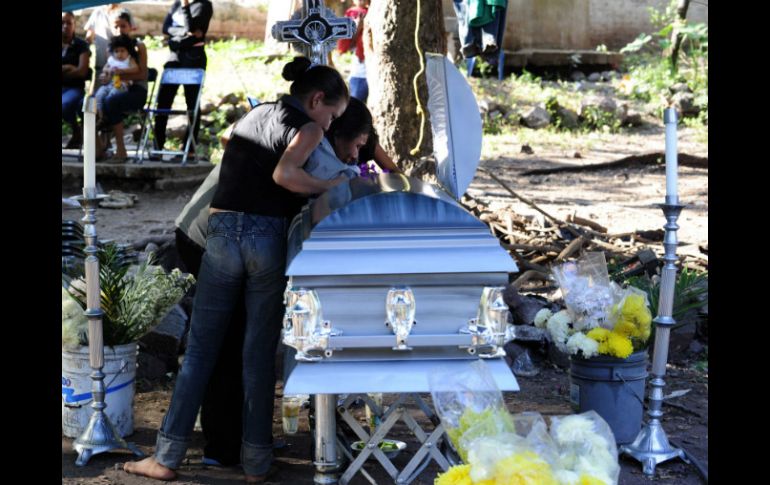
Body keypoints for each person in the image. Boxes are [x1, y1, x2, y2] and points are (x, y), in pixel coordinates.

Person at [123, 56, 350, 483]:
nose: (331, 126)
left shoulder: (256, 113)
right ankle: (256, 463)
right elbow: (286, 174)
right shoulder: (309, 126)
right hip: (265, 237)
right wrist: (332, 185)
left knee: (201, 353)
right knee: (257, 354)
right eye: (333, 114)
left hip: (222, 232)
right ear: (317, 99)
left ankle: (165, 458)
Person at [170, 93, 398, 469]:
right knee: (227, 342)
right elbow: (354, 184)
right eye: (355, 146)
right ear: (333, 127)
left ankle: (247, 444)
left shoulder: (327, 136)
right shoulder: (316, 149)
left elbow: (386, 168)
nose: (358, 157)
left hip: (240, 237)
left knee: (249, 346)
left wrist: (373, 156)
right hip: (209, 236)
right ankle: (224, 446)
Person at [152, 0, 213, 160]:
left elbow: (192, 28)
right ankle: (157, 145)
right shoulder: (176, 4)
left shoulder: (203, 5)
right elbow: (166, 28)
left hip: (193, 60)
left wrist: (186, 8)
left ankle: (189, 149)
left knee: (192, 104)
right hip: (174, 59)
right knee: (163, 103)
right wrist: (184, 35)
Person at [95, 9, 148, 163]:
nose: (119, 30)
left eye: (123, 26)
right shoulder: (110, 49)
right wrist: (105, 77)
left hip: (136, 90)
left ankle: (121, 150)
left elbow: (142, 75)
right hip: (114, 86)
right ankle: (100, 150)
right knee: (92, 101)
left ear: (130, 27)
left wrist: (117, 75)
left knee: (113, 101)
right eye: (116, 27)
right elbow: (107, 70)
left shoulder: (139, 46)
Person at [62, 11, 91, 150]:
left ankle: (76, 130)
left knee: (65, 104)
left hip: (75, 88)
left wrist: (66, 70)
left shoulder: (81, 45)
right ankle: (76, 132)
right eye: (62, 23)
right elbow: (76, 70)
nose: (65, 26)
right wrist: (69, 68)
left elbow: (82, 71)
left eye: (68, 23)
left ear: (74, 25)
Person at [94, 34, 139, 122]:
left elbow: (135, 69)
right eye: (116, 51)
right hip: (110, 83)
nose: (119, 54)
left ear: (128, 51)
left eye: (122, 51)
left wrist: (122, 71)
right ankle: (100, 114)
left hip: (122, 84)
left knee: (111, 97)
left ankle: (107, 116)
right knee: (99, 95)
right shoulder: (112, 60)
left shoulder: (129, 59)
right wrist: (109, 69)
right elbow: (104, 68)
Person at [337, 0, 370, 102]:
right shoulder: (352, 12)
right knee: (356, 103)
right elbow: (346, 44)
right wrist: (357, 28)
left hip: (369, 65)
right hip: (360, 67)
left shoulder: (373, 12)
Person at [84, 3, 121, 74]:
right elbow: (89, 37)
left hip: (120, 68)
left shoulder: (124, 12)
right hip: (101, 65)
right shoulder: (98, 12)